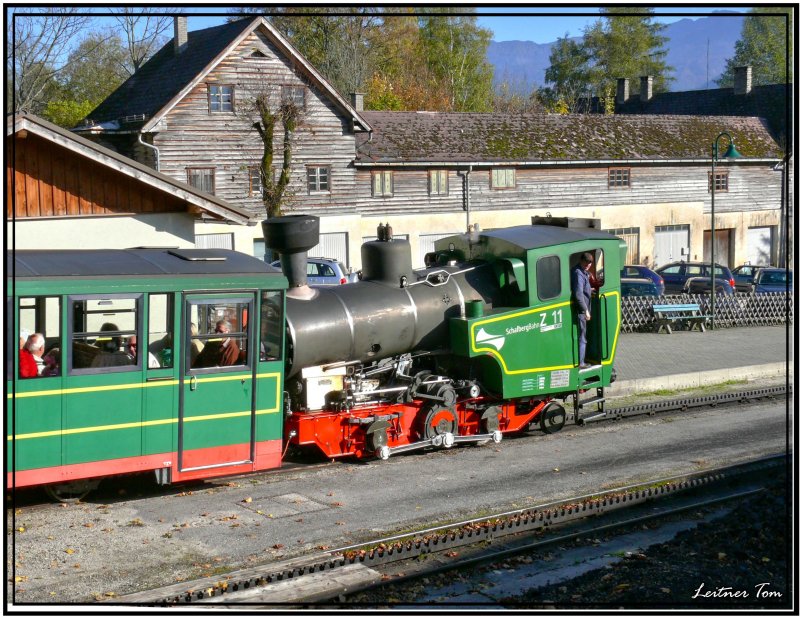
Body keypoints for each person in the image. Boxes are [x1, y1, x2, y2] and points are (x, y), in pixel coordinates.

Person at [571, 252, 594, 370]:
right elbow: (578, 294)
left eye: (589, 263)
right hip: (581, 311)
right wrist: (586, 310)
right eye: (586, 263)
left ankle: (581, 361)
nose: (588, 265)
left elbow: (583, 289)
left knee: (582, 336)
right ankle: (581, 363)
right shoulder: (578, 273)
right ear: (581, 260)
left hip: (582, 310)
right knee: (582, 337)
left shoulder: (582, 272)